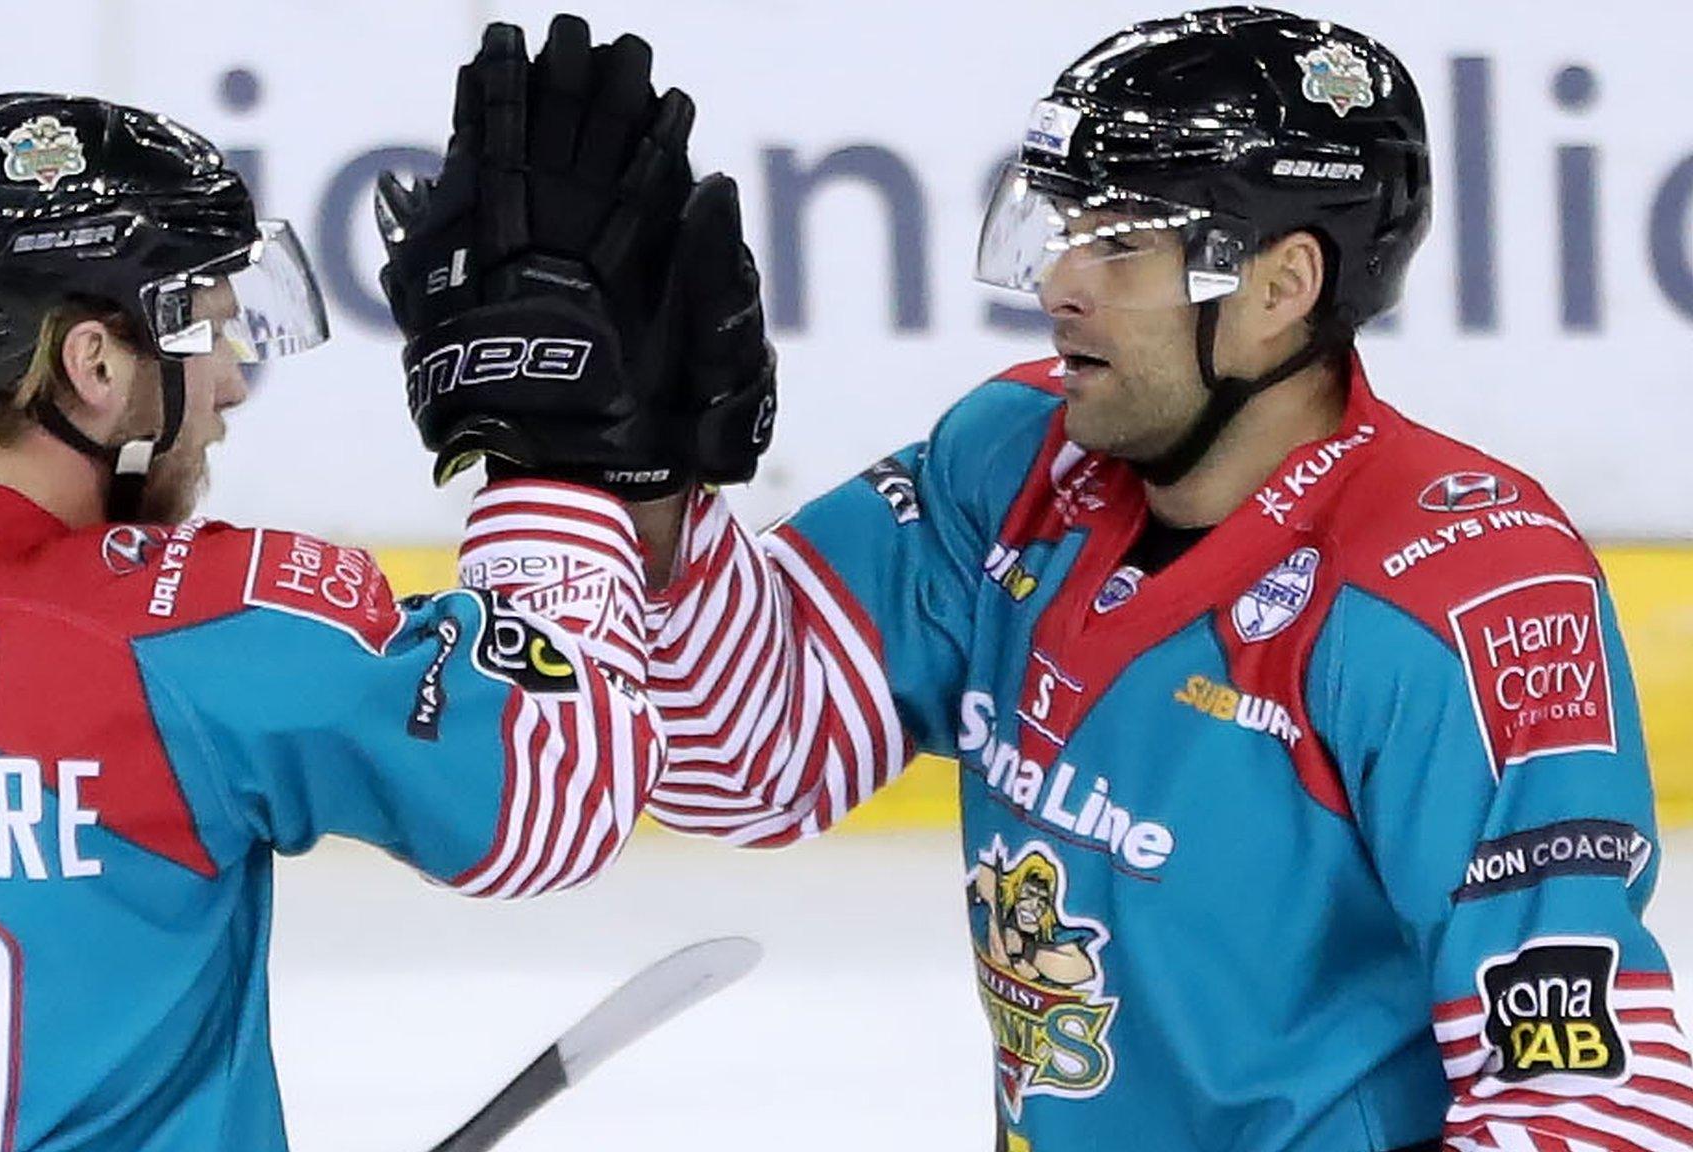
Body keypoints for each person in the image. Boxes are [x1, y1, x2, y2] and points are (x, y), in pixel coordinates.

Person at [384, 7, 1693, 1151]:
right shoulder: (1014, 462)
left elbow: (1586, 1102)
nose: (1059, 285)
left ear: (1284, 285)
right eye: (1061, 232)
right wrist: (634, 482)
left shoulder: (1459, 593)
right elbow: (754, 758)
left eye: (1116, 245)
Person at [0, 87, 679, 1151]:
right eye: (210, 328)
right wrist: (552, 467)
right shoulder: (210, 628)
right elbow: (558, 788)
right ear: (93, 365)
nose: (230, 383)